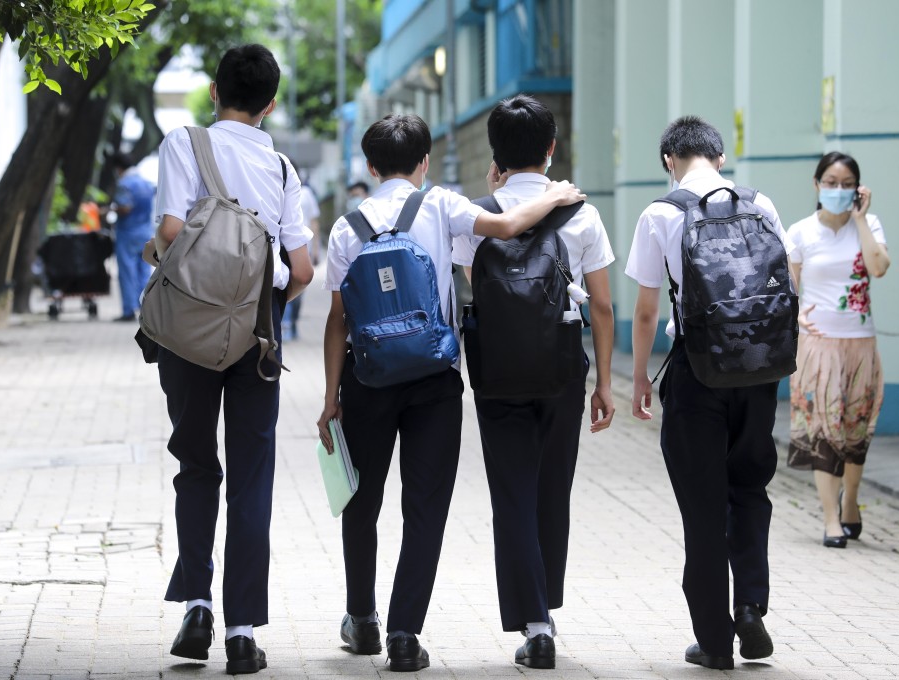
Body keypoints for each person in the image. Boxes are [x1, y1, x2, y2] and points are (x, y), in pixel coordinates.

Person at [317, 113, 585, 672]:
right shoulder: (440, 206)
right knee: (426, 509)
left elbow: (338, 320)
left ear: (370, 166)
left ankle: (361, 618)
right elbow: (509, 226)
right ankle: (404, 634)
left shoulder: (347, 227)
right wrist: (557, 192)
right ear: (424, 163)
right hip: (433, 383)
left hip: (366, 380)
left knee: (360, 501)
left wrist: (329, 398)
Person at [153, 44, 313, 675]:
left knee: (195, 465)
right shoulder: (279, 165)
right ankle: (242, 631)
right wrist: (264, 296)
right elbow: (301, 268)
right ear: (270, 103)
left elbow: (170, 231)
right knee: (252, 478)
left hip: (189, 326)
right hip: (258, 332)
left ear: (214, 91)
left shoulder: (182, 144)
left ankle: (197, 604)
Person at [451, 94, 616, 670]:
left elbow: (478, 288)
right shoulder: (581, 214)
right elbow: (602, 307)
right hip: (562, 371)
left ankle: (535, 624)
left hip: (497, 372)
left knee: (512, 495)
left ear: (495, 155)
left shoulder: (475, 215)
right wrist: (606, 384)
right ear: (552, 148)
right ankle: (549, 606)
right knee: (552, 492)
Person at [626, 116, 786, 670]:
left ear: (670, 159)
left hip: (696, 372)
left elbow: (648, 310)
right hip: (758, 372)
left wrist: (640, 376)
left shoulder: (661, 214)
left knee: (702, 507)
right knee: (749, 490)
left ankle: (714, 640)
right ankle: (750, 607)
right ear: (719, 157)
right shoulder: (760, 204)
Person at [785, 152, 890, 548]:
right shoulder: (800, 232)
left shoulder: (869, 225)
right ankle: (831, 518)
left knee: (856, 428)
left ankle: (851, 503)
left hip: (861, 344)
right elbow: (788, 293)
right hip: (818, 345)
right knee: (824, 429)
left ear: (858, 190)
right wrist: (796, 321)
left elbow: (879, 267)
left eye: (847, 184)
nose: (838, 190)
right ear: (816, 185)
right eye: (830, 182)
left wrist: (861, 219)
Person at [109, 152, 155, 322]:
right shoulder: (146, 183)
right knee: (144, 271)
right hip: (145, 232)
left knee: (127, 272)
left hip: (127, 233)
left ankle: (128, 310)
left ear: (118, 168)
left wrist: (112, 209)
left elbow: (125, 208)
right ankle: (146, 308)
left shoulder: (124, 184)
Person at [281, 162, 321, 340]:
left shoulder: (306, 194)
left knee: (296, 294)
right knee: (286, 286)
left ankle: (292, 322)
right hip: (283, 248)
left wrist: (316, 250)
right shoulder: (277, 185)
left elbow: (314, 222)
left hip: (303, 247)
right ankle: (285, 324)